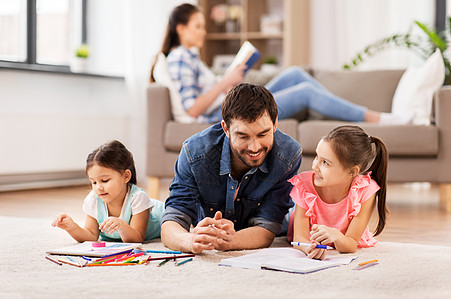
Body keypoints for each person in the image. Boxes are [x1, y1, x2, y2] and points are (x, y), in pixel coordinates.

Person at [150, 3, 413, 125]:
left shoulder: (192, 57)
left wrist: (230, 84)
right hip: (223, 117)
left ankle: (347, 111)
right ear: (181, 29)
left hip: (229, 104)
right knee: (305, 93)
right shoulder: (180, 58)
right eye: (198, 26)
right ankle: (380, 119)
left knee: (295, 73)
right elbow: (193, 110)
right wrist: (225, 83)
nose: (203, 32)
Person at [160, 83, 302, 253]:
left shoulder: (288, 156)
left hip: (279, 221)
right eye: (243, 136)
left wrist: (230, 241)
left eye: (263, 134)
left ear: (275, 124)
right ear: (226, 128)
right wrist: (190, 240)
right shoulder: (194, 152)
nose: (254, 147)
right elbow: (172, 220)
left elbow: (267, 228)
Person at [286, 125, 388, 260]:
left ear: (352, 172)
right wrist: (308, 247)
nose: (314, 166)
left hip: (339, 237)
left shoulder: (365, 190)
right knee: (279, 221)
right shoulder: (304, 185)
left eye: (325, 163)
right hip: (292, 216)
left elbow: (350, 244)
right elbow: (299, 237)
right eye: (317, 156)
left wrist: (336, 235)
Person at [52, 140, 164, 243]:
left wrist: (121, 225)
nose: (98, 188)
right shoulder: (94, 199)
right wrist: (72, 227)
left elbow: (137, 238)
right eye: (94, 182)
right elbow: (91, 236)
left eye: (104, 180)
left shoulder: (138, 198)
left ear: (126, 176)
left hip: (161, 214)